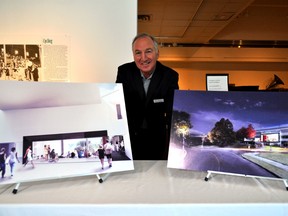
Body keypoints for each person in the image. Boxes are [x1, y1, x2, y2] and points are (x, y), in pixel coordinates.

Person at [116, 33, 179, 160]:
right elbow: (118, 104)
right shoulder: (124, 72)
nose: (143, 58)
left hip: (158, 139)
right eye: (138, 53)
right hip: (130, 137)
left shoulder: (169, 76)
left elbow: (173, 112)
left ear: (157, 53)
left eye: (148, 51)